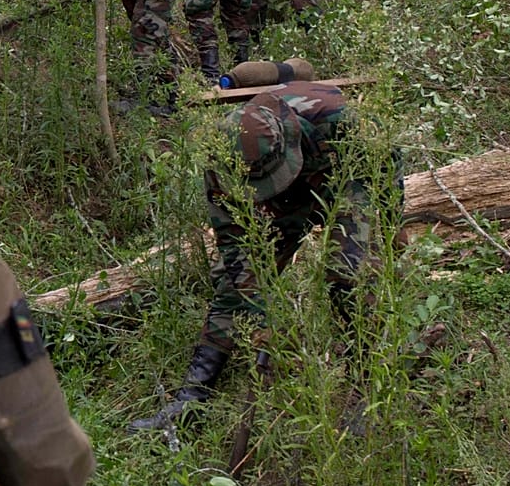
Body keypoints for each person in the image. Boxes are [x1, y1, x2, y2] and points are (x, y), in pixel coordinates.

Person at [130, 81, 396, 433]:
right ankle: (191, 400)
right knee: (230, 282)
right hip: (285, 201)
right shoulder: (221, 159)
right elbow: (239, 259)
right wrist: (264, 323)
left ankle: (367, 386)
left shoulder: (336, 116)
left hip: (345, 179)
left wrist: (389, 228)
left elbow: (386, 165)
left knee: (348, 271)